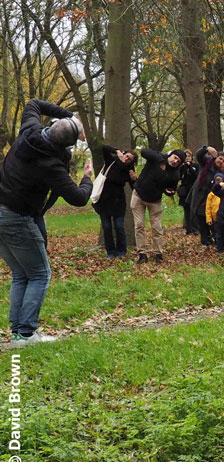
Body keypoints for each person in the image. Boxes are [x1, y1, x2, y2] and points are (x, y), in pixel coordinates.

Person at [0, 100, 92, 346]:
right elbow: (78, 198)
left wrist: (69, 115)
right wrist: (87, 178)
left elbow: (33, 103)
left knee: (21, 274)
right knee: (40, 274)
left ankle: (18, 332)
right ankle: (27, 333)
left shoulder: (29, 132)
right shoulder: (51, 164)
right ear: (68, 145)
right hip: (16, 217)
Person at [131, 147, 185, 263]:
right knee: (139, 225)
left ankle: (158, 254)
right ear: (171, 155)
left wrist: (169, 191)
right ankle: (142, 254)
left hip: (155, 200)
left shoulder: (175, 174)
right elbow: (144, 151)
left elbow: (171, 188)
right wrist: (160, 159)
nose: (175, 161)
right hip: (138, 195)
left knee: (157, 227)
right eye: (175, 158)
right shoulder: (156, 157)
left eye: (179, 161)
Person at [93, 146, 138, 258]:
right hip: (104, 199)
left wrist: (134, 180)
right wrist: (117, 151)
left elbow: (135, 188)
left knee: (119, 226)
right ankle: (110, 251)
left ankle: (121, 251)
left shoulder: (129, 170)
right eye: (127, 156)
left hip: (118, 201)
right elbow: (104, 148)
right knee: (107, 227)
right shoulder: (112, 161)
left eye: (130, 159)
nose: (127, 159)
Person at [177, 149, 199, 234]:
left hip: (193, 190)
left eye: (189, 156)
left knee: (194, 210)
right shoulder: (182, 167)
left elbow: (195, 175)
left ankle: (195, 229)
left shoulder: (196, 166)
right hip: (185, 191)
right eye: (186, 157)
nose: (187, 158)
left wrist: (189, 167)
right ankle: (188, 229)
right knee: (187, 210)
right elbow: (180, 177)